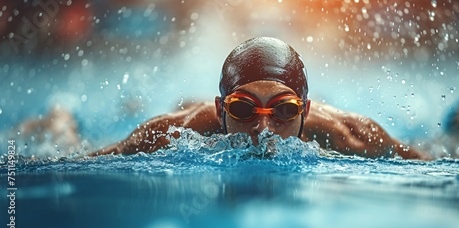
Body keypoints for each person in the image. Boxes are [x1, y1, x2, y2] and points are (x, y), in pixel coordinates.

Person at [89, 37, 435, 160]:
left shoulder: (352, 136)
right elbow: (84, 159)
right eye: (243, 109)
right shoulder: (173, 132)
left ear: (306, 111)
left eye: (284, 111)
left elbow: (430, 164)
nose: (263, 127)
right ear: (220, 111)